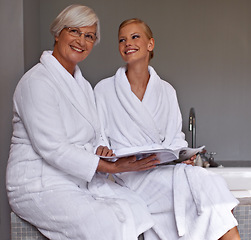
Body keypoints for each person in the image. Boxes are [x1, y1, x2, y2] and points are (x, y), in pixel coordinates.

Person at [6, 6, 159, 240]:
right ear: (58, 34)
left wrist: (102, 149)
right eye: (74, 31)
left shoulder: (83, 85)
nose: (81, 41)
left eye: (89, 36)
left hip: (74, 180)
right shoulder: (36, 82)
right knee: (106, 223)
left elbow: (96, 132)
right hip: (38, 184)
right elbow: (53, 148)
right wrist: (112, 167)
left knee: (135, 210)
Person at [94, 18, 241, 240]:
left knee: (212, 182)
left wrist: (183, 155)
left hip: (164, 168)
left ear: (150, 44)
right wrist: (102, 149)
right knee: (207, 195)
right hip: (132, 175)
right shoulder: (104, 90)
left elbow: (175, 138)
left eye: (135, 37)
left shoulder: (166, 90)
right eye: (122, 39)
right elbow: (99, 136)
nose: (128, 43)